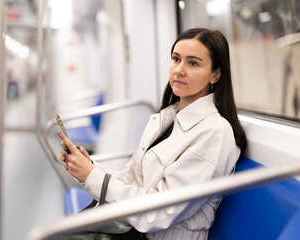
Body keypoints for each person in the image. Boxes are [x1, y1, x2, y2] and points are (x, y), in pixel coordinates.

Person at [58, 28, 247, 240]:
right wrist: (89, 168)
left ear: (216, 74)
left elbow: (158, 213)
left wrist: (92, 177)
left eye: (193, 63)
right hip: (133, 230)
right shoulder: (167, 118)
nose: (179, 70)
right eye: (176, 59)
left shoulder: (214, 133)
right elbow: (131, 179)